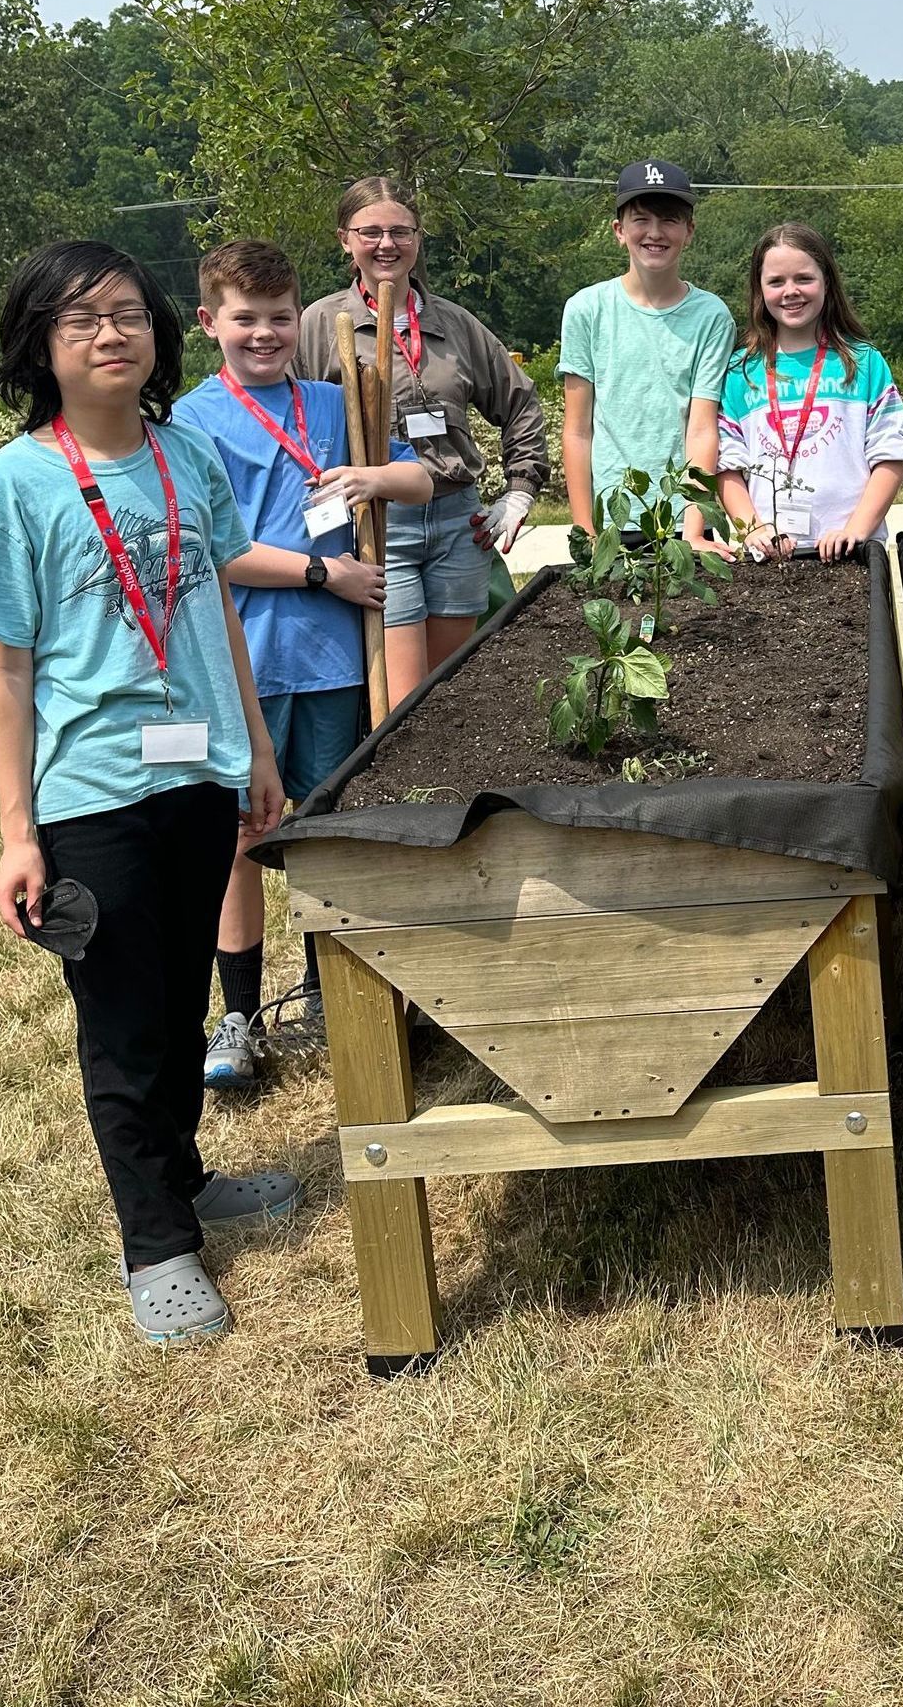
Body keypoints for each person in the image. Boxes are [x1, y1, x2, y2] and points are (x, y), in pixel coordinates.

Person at [0, 241, 298, 1347]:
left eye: (125, 314)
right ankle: (156, 1244)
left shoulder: (187, 454)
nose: (110, 334)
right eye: (80, 321)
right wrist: (19, 832)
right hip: (90, 794)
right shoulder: (12, 485)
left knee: (177, 996)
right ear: (42, 351)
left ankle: (185, 1180)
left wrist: (253, 749)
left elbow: (215, 619)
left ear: (157, 330)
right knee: (121, 1022)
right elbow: (5, 669)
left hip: (199, 771)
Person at [174, 239, 432, 1090]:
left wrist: (374, 476)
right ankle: (238, 1013)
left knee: (325, 830)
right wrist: (327, 571)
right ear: (211, 322)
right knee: (245, 834)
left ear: (301, 320)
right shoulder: (187, 422)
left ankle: (329, 991)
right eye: (245, 318)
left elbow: (422, 478)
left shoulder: (336, 403)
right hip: (243, 660)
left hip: (332, 660)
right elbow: (218, 550)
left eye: (279, 317)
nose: (264, 333)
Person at [298, 177, 549, 707]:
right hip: (380, 525)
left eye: (401, 231)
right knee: (402, 700)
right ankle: (403, 792)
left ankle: (441, 790)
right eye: (371, 232)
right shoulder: (320, 325)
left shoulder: (455, 325)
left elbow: (521, 404)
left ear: (418, 238)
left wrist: (520, 489)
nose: (387, 244)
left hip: (459, 522)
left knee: (449, 692)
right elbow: (290, 425)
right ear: (345, 239)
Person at [560, 159, 736, 543]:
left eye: (670, 220)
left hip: (682, 519)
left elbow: (702, 428)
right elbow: (577, 431)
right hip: (610, 521)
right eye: (641, 220)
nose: (655, 232)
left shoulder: (712, 316)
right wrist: (585, 531)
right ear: (619, 231)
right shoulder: (586, 309)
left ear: (689, 231)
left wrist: (693, 533)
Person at [717, 223, 903, 558]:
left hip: (851, 553)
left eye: (804, 278)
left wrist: (856, 530)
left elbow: (893, 452)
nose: (790, 291)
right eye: (776, 282)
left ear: (827, 282)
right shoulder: (741, 371)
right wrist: (753, 529)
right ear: (759, 289)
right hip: (770, 556)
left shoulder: (863, 362)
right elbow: (726, 462)